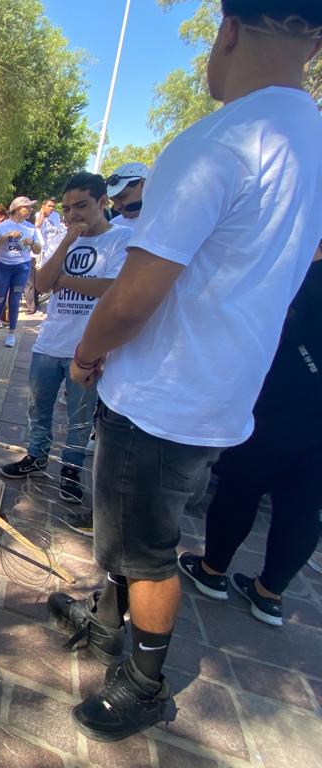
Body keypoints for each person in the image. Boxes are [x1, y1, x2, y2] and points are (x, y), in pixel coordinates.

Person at [52, 2, 322, 742]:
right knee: (132, 534)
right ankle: (107, 621)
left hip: (164, 392)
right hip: (221, 389)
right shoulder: (311, 141)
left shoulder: (221, 142)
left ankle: (141, 685)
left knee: (145, 550)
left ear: (228, 31)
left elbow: (134, 296)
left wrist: (86, 352)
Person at [179, 246, 321, 626]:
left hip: (282, 404)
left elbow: (270, 327)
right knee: (304, 507)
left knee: (242, 488)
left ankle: (213, 569)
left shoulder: (303, 277)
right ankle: (270, 593)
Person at [0, 173, 131, 518]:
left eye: (81, 207)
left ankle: (70, 470)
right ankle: (36, 456)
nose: (73, 215)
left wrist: (64, 280)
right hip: (49, 342)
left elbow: (111, 289)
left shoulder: (122, 238)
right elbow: (41, 283)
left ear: (103, 203)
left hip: (88, 348)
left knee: (79, 418)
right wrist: (67, 244)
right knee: (37, 409)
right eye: (68, 208)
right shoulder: (63, 236)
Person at [0, 196, 43, 347]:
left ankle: (11, 335)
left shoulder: (30, 228)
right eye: (26, 207)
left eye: (30, 207)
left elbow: (38, 249)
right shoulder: (2, 226)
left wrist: (32, 243)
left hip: (22, 267)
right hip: (2, 266)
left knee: (15, 300)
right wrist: (8, 235)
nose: (30, 210)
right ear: (16, 209)